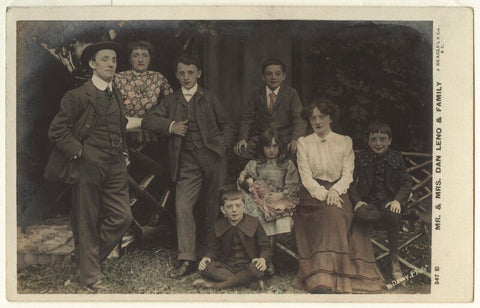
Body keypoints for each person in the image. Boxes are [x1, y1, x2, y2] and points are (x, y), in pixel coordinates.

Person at [44, 40, 132, 291]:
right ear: (93, 64)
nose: (111, 64)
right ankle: (90, 278)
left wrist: (123, 151)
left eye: (114, 60)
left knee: (122, 217)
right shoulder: (77, 96)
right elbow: (57, 131)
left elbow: (120, 125)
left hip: (115, 166)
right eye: (105, 59)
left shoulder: (115, 92)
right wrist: (82, 152)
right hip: (87, 166)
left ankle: (84, 260)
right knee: (87, 221)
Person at [142, 55, 234, 279]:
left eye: (190, 73)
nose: (186, 77)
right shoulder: (171, 101)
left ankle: (212, 255)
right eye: (181, 73)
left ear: (199, 74)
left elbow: (228, 124)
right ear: (176, 75)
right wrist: (171, 126)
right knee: (182, 207)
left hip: (213, 159)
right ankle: (186, 259)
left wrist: (222, 146)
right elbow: (148, 120)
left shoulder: (209, 98)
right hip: (187, 162)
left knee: (214, 207)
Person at [294, 97, 384, 293]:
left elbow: (348, 174)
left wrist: (335, 190)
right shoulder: (303, 143)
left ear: (331, 118)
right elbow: (305, 176)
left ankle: (334, 277)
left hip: (340, 190)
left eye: (322, 116)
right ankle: (321, 278)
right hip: (312, 194)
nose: (317, 121)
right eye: (313, 118)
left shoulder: (344, 141)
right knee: (329, 213)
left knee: (338, 214)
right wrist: (324, 193)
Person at [349, 119, 413, 281]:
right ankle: (365, 261)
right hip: (369, 204)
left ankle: (394, 260)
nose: (378, 143)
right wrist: (357, 201)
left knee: (392, 214)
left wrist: (398, 200)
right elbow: (350, 183)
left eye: (382, 139)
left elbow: (406, 183)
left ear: (389, 141)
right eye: (374, 139)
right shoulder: (361, 158)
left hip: (389, 202)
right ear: (368, 141)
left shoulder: (396, 158)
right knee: (361, 215)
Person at [192, 186, 272, 290]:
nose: (234, 210)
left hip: (248, 265)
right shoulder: (218, 225)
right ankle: (249, 283)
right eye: (229, 206)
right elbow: (212, 249)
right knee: (207, 268)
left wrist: (262, 259)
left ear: (243, 205)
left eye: (238, 205)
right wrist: (207, 257)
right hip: (227, 267)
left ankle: (215, 285)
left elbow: (265, 246)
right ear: (223, 209)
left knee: (257, 268)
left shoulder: (254, 222)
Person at [234, 58, 306, 159]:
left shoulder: (291, 93)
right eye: (269, 74)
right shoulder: (256, 93)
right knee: (243, 152)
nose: (273, 77)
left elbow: (299, 119)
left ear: (284, 76)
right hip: (262, 137)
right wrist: (243, 138)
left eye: (277, 74)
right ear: (263, 77)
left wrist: (295, 139)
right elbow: (247, 119)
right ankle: (255, 174)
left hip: (284, 137)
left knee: (293, 154)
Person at [237, 128, 299, 238]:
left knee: (284, 221)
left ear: (280, 146)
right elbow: (244, 180)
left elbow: (293, 185)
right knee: (258, 218)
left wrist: (280, 194)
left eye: (275, 146)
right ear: (262, 147)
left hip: (281, 200)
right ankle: (264, 248)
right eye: (267, 146)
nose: (271, 150)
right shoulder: (255, 164)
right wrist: (253, 191)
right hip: (260, 202)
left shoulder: (287, 165)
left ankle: (279, 247)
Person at [114, 40, 173, 130]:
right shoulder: (118, 78)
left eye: (145, 56)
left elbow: (171, 103)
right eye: (136, 55)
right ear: (130, 59)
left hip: (152, 129)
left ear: (150, 59)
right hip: (125, 129)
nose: (140, 59)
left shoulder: (158, 78)